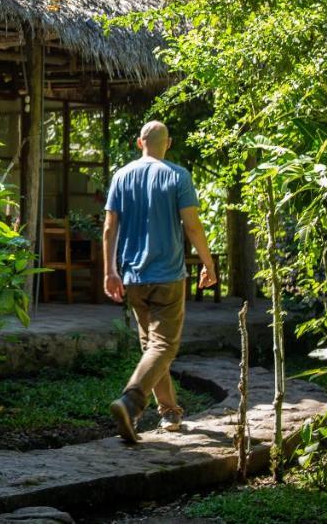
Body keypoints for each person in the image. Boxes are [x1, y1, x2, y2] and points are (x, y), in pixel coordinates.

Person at [103, 120, 216, 442]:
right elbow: (193, 226)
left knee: (151, 347)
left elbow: (110, 228)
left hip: (133, 276)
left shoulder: (121, 176)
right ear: (168, 143)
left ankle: (169, 413)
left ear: (140, 143)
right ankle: (132, 401)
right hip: (168, 274)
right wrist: (208, 264)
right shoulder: (178, 175)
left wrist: (109, 271)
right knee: (163, 346)